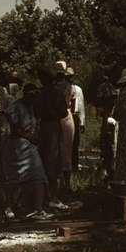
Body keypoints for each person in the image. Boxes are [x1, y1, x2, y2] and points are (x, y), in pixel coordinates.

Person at [3, 84, 53, 220]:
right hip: (16, 144)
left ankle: (38, 209)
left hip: (29, 145)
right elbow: (15, 128)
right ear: (24, 94)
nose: (33, 98)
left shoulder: (32, 107)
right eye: (30, 95)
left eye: (35, 96)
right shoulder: (15, 106)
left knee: (39, 174)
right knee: (12, 177)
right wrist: (29, 136)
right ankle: (9, 206)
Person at [35, 65, 69, 210]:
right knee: (51, 160)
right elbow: (63, 113)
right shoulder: (53, 93)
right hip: (50, 127)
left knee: (49, 159)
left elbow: (62, 113)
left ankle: (49, 196)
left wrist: (47, 114)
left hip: (48, 127)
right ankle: (50, 196)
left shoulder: (42, 94)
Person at [53, 61, 75, 194]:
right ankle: (58, 181)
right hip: (59, 115)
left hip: (63, 115)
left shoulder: (67, 87)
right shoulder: (66, 86)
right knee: (57, 149)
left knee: (66, 150)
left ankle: (66, 183)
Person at [66, 67, 86, 173]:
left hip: (74, 116)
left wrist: (82, 122)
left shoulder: (77, 89)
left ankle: (74, 165)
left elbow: (81, 106)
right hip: (64, 115)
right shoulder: (60, 88)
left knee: (75, 142)